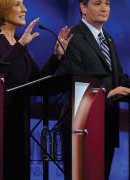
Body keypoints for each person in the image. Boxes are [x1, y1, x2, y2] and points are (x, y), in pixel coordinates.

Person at [0, 0, 72, 179]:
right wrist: (20, 46)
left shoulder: (19, 43)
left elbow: (37, 83)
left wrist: (57, 57)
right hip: (0, 123)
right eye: (17, 4)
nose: (25, 9)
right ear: (1, 10)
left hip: (21, 121)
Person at [56, 0, 130, 179]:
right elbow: (74, 78)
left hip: (107, 124)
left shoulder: (109, 39)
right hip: (81, 124)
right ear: (83, 8)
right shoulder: (72, 36)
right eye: (97, 3)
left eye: (107, 3)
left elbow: (118, 77)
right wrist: (106, 94)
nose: (104, 8)